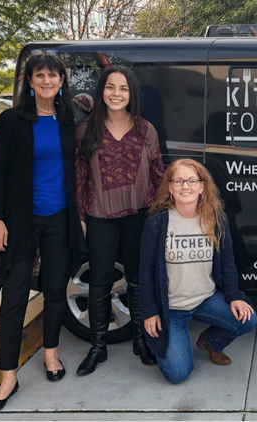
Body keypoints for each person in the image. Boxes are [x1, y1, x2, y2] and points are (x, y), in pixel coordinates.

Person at [0, 52, 87, 413]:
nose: (46, 81)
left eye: (53, 76)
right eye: (39, 76)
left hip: (59, 219)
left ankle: (51, 353)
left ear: (62, 82)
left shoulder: (66, 119)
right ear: (29, 81)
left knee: (55, 290)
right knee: (13, 299)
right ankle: (8, 377)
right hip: (20, 221)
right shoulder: (11, 120)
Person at [75, 66, 164, 375]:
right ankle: (98, 347)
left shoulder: (145, 130)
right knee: (99, 281)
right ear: (102, 91)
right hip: (99, 217)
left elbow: (158, 174)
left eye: (123, 88)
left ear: (132, 94)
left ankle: (141, 340)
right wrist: (81, 216)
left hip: (139, 215)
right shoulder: (86, 130)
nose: (116, 93)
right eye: (110, 87)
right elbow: (79, 177)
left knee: (139, 279)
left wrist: (161, 215)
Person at [139, 159, 257, 384]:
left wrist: (233, 296)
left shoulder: (215, 219)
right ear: (170, 188)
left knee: (248, 318)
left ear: (202, 187)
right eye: (179, 181)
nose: (186, 186)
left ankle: (210, 342)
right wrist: (149, 311)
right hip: (171, 310)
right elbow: (145, 271)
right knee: (178, 374)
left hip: (205, 300)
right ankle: (172, 346)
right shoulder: (157, 223)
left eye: (193, 180)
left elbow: (228, 262)